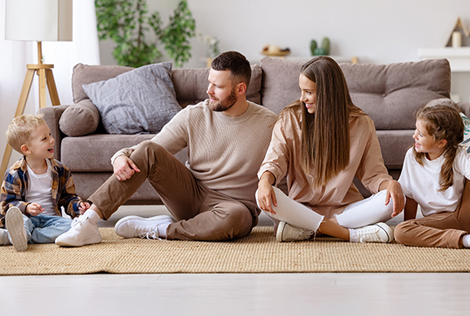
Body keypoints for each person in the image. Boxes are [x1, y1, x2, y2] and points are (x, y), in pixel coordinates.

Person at [55, 51, 278, 247]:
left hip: (233, 207)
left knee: (237, 218)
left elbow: (284, 167)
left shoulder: (269, 123)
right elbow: (149, 150)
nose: (208, 90)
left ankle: (161, 229)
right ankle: (88, 222)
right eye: (209, 82)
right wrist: (119, 156)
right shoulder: (194, 114)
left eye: (218, 86)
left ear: (240, 89)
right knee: (148, 149)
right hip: (191, 195)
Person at [256, 56, 405, 243]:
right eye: (301, 91)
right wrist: (265, 181)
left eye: (308, 92)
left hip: (345, 210)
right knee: (260, 193)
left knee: (392, 199)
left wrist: (390, 184)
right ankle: (350, 234)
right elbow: (274, 161)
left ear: (327, 93)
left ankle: (309, 230)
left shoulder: (361, 123)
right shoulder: (289, 119)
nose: (302, 99)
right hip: (301, 209)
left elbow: (373, 175)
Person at [0, 114, 90, 252]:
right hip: (26, 218)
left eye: (50, 134)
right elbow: (7, 205)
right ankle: (21, 233)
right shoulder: (14, 174)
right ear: (26, 149)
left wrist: (78, 206)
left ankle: (18, 237)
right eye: (45, 138)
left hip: (52, 220)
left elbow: (68, 198)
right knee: (22, 222)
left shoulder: (61, 170)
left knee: (72, 225)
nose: (52, 140)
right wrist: (27, 207)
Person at [394, 104, 470, 249]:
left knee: (400, 231)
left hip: (462, 212)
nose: (414, 136)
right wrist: (410, 224)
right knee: (402, 230)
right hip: (441, 219)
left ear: (441, 142)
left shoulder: (458, 155)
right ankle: (464, 238)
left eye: (421, 134)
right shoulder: (412, 155)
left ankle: (463, 240)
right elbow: (409, 194)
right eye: (416, 130)